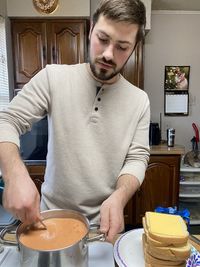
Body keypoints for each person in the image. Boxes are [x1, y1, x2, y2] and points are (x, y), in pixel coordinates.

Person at [0, 0, 150, 242]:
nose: (109, 54)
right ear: (91, 30)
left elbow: (137, 158)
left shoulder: (139, 100)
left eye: (122, 47)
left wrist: (120, 196)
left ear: (133, 49)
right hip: (47, 221)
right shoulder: (53, 78)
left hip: (103, 228)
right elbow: (7, 119)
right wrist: (14, 174)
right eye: (102, 38)